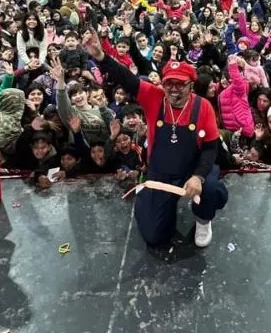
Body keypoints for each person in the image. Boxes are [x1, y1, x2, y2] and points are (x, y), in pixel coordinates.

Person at [86, 29, 228, 248]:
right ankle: (149, 197)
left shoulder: (203, 107)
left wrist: (198, 177)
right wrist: (100, 57)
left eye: (180, 84)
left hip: (193, 169)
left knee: (212, 190)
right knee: (155, 237)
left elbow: (211, 148)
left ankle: (202, 218)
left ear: (191, 85)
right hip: (161, 171)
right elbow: (126, 77)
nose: (173, 89)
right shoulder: (154, 97)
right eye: (169, 83)